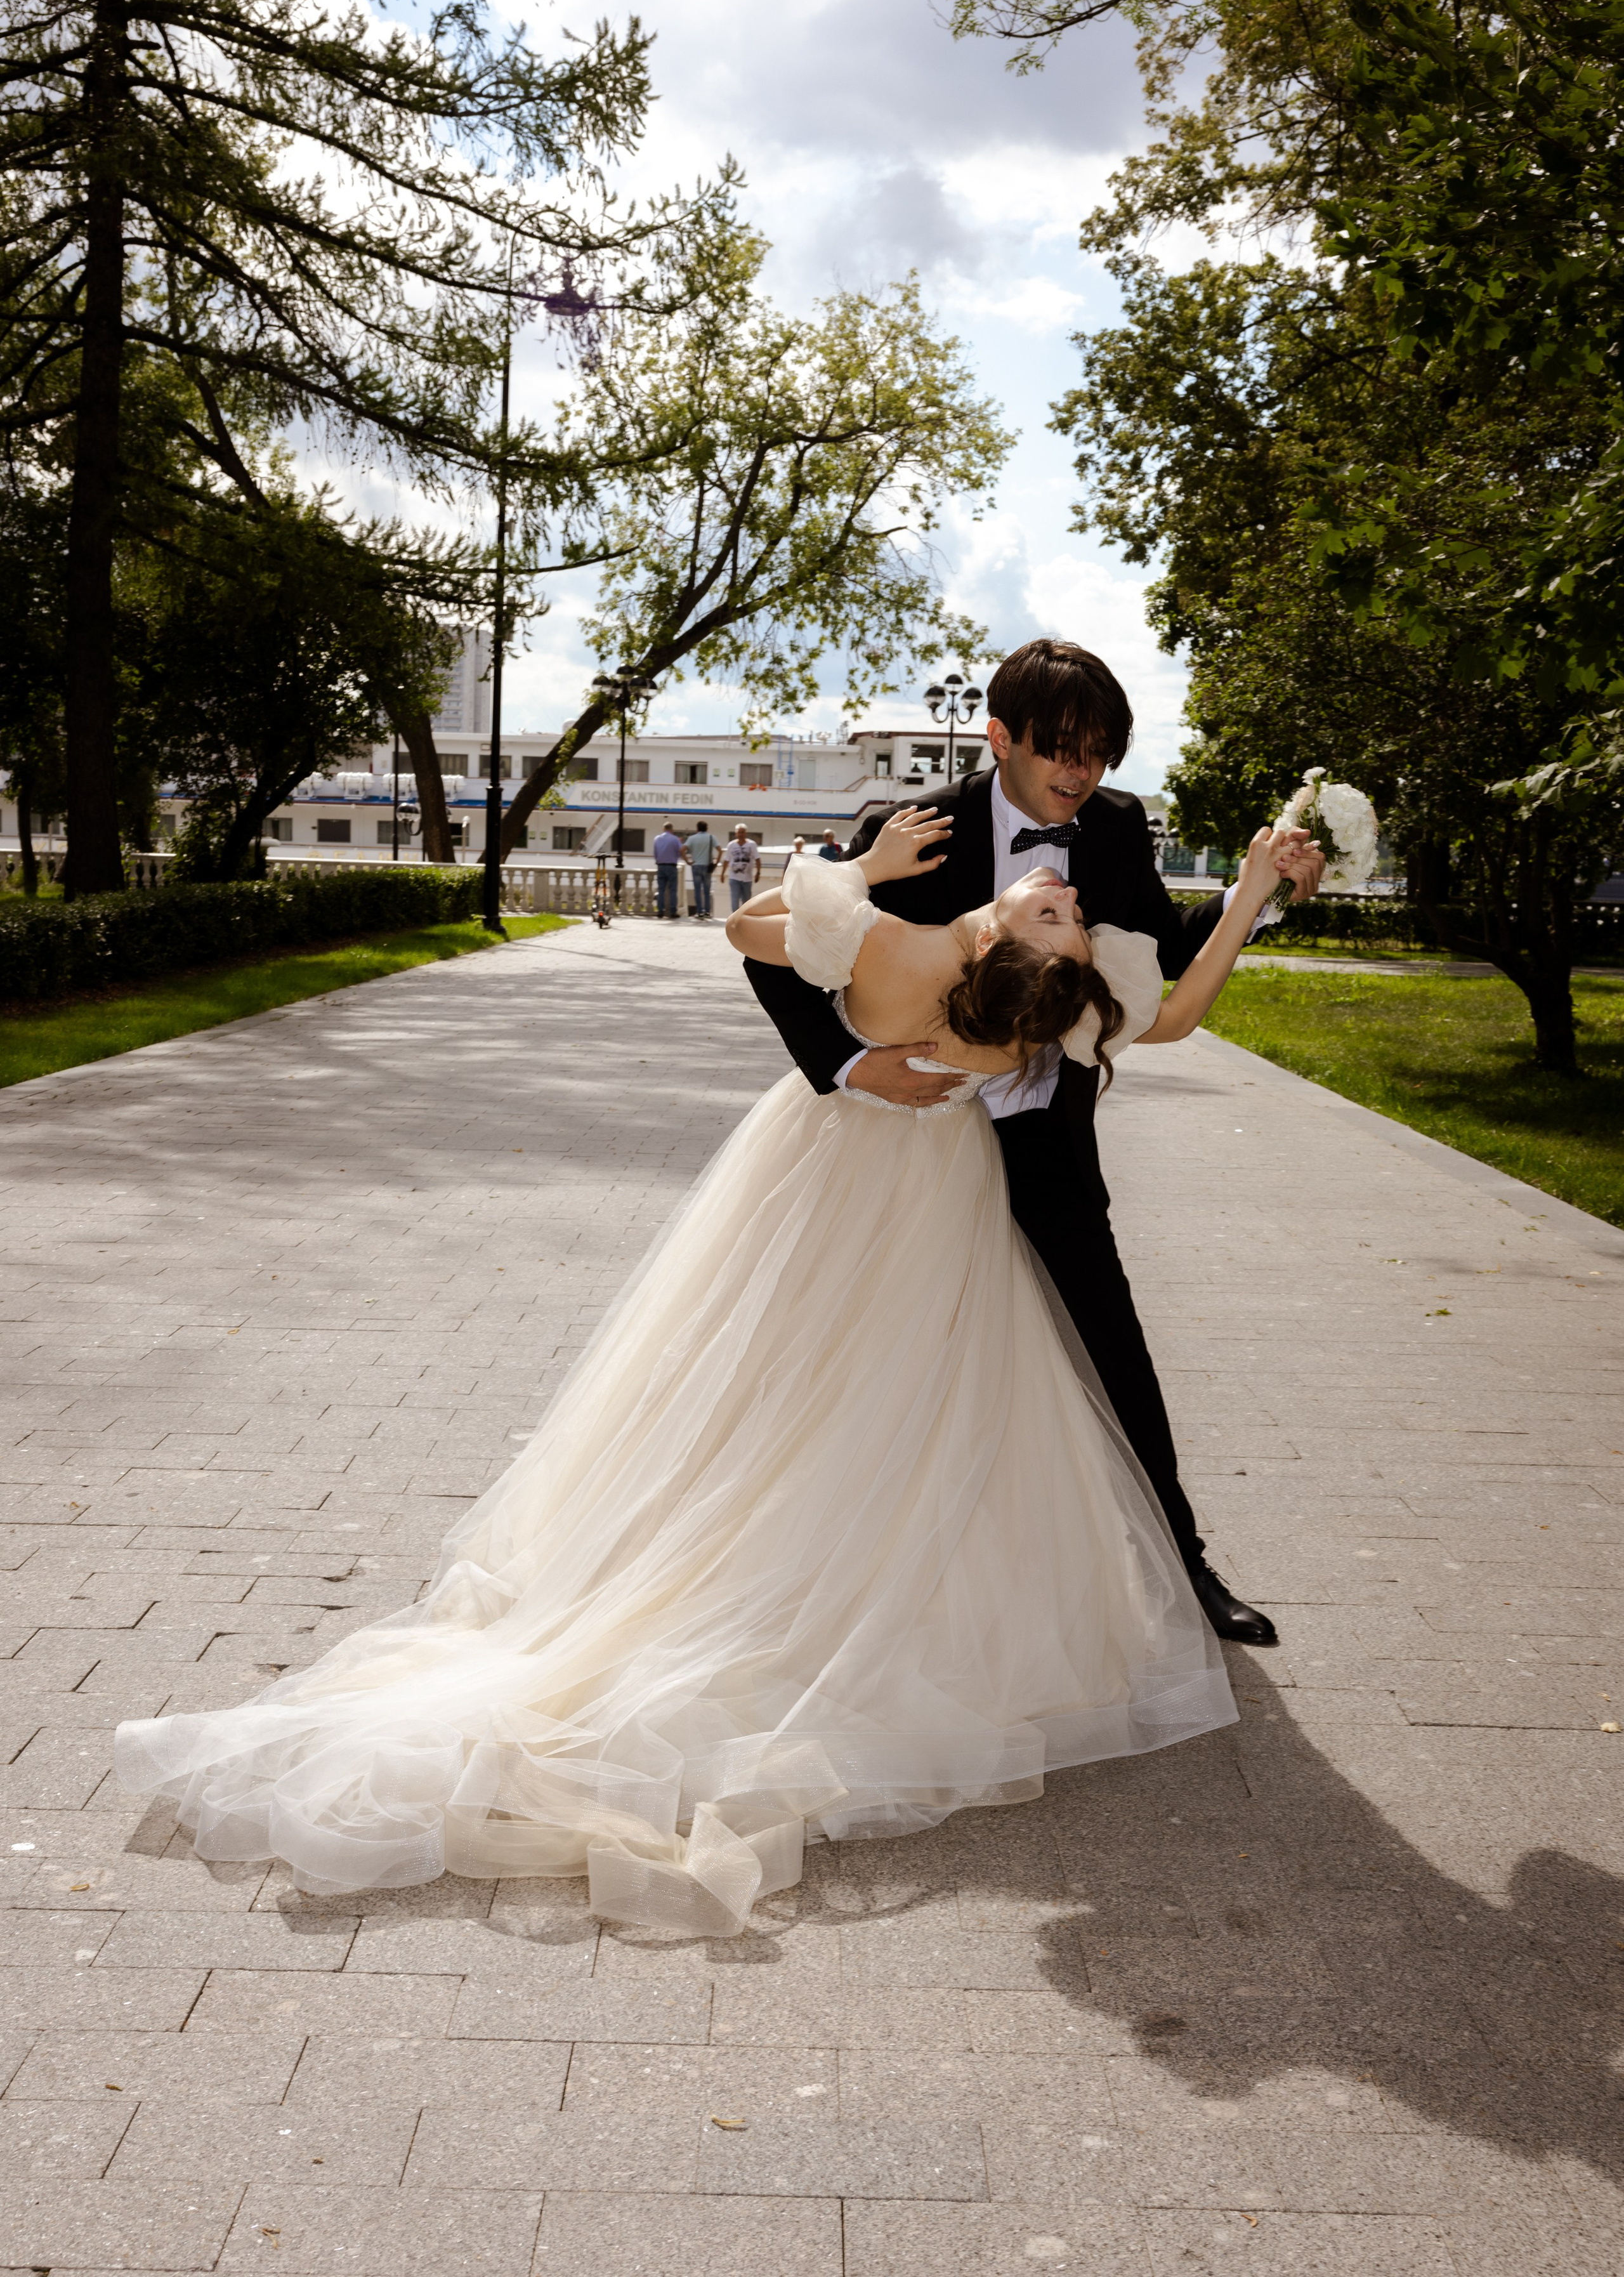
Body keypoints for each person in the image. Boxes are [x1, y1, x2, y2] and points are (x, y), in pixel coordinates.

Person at [114, 805, 1289, 1937]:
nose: (1065, 900)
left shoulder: (905, 945)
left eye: (1057, 917)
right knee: (902, 1399)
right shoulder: (1063, 1010)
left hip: (837, 1177)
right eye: (1063, 910)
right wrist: (1245, 892)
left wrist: (865, 866)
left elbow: (749, 927)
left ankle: (772, 1560)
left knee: (788, 1388)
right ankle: (840, 1571)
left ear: (998, 940)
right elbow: (1178, 1013)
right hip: (941, 1199)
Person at [744, 638, 1323, 1648]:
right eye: (1063, 750)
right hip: (910, 1143)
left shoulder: (1117, 826)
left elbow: (1153, 953)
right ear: (1000, 736)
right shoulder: (914, 826)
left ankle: (1184, 1563)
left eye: (1100, 753)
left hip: (1046, 1138)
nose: (1082, 774)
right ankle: (845, 1574)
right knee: (882, 1358)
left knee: (1111, 1345)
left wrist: (1256, 890)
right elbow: (786, 948)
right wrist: (844, 1062)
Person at [723, 824, 761, 912]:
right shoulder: (731, 845)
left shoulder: (752, 845)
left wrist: (758, 873)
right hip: (734, 877)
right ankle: (735, 920)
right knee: (734, 900)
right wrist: (722, 873)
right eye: (739, 833)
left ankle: (744, 919)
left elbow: (757, 859)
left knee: (746, 901)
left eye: (742, 832)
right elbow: (726, 860)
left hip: (747, 878)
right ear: (736, 834)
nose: (741, 834)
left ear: (746, 833)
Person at [684, 820, 718, 917]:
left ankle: (699, 912)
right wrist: (716, 862)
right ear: (707, 828)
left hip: (696, 866)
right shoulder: (711, 837)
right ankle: (707, 911)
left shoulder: (692, 838)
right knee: (707, 891)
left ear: (697, 829)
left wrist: (688, 861)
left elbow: (682, 850)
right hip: (707, 866)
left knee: (697, 890)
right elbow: (719, 850)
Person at [652, 822, 684, 919]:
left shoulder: (657, 839)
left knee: (661, 890)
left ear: (663, 829)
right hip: (671, 866)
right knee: (673, 890)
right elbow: (680, 852)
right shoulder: (675, 839)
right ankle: (673, 911)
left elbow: (655, 854)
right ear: (672, 829)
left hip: (660, 866)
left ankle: (660, 911)